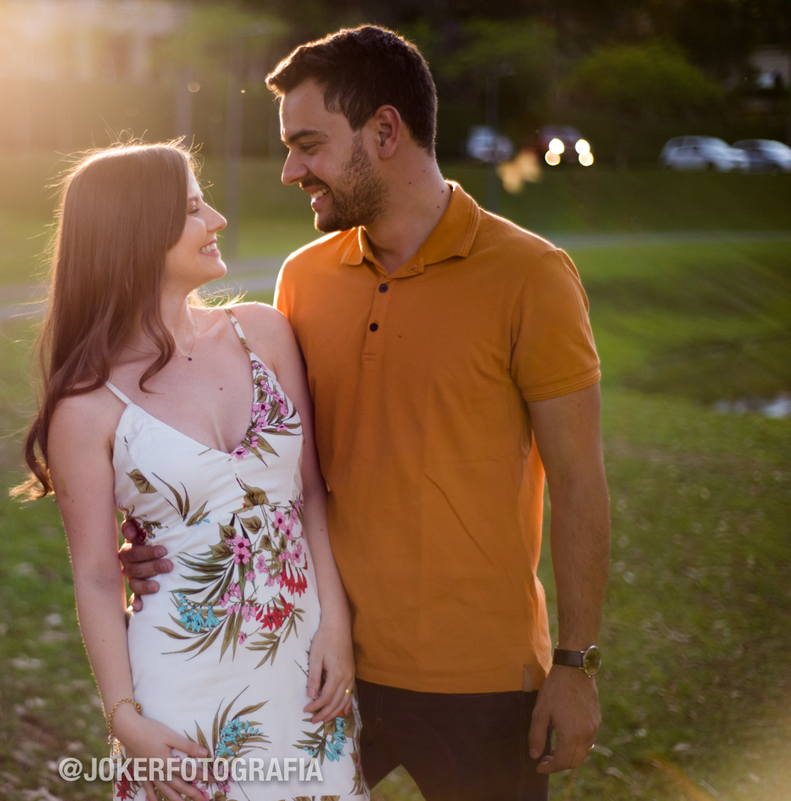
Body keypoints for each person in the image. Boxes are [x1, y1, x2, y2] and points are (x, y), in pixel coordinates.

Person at [121, 26, 611, 801]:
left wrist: (576, 666)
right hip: (315, 662)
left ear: (385, 131)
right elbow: (271, 464)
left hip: (481, 679)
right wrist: (159, 538)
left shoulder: (532, 276)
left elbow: (582, 483)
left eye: (308, 145)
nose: (290, 170)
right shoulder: (304, 278)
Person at [16, 142, 368, 801]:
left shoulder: (264, 333)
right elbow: (95, 577)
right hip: (180, 692)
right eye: (191, 208)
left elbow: (312, 497)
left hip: (305, 672)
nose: (217, 220)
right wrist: (126, 721)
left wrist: (335, 623)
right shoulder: (86, 407)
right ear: (135, 233)